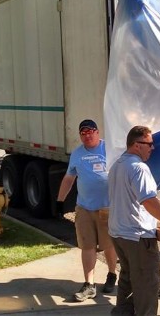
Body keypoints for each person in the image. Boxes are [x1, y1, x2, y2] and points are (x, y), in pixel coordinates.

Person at [108, 125, 160, 316]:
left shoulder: (117, 165)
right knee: (147, 286)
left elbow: (130, 204)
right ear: (136, 145)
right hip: (138, 238)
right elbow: (148, 200)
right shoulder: (139, 168)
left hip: (120, 234)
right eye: (149, 144)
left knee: (128, 281)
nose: (153, 148)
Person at [56, 119, 118, 301]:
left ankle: (112, 274)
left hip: (107, 207)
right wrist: (60, 201)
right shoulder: (77, 154)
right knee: (87, 245)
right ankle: (89, 284)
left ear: (98, 132)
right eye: (83, 133)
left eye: (91, 131)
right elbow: (69, 179)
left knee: (109, 245)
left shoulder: (110, 149)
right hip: (84, 208)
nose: (87, 135)